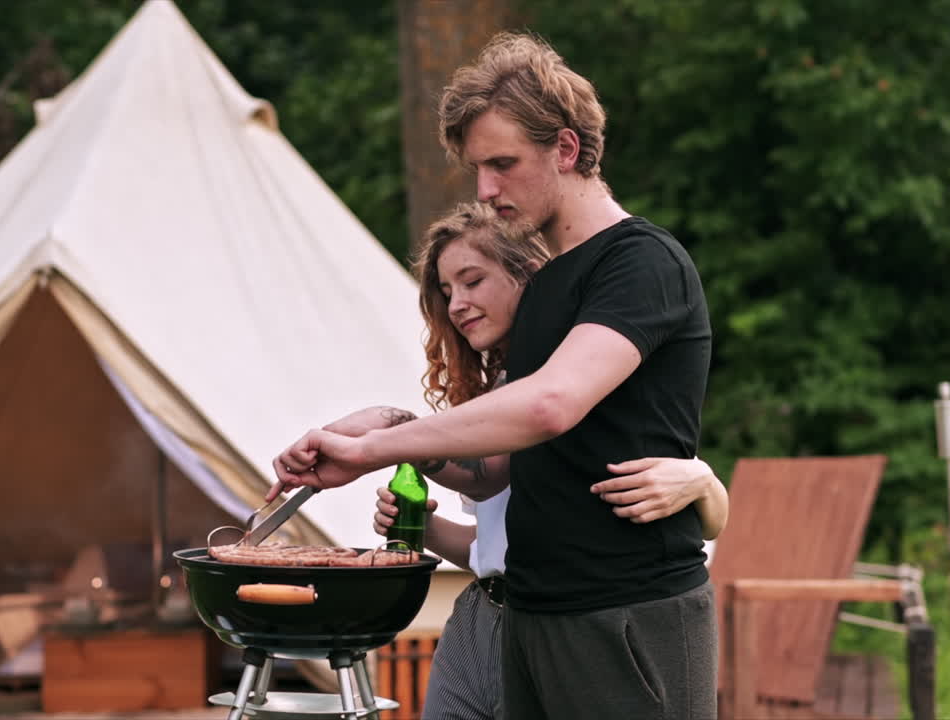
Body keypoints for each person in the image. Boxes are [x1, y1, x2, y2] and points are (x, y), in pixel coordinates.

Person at [270, 31, 718, 720]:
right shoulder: (544, 291)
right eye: (478, 168)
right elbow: (497, 471)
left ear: (566, 149)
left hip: (628, 614)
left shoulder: (641, 263)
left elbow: (550, 406)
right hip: (535, 617)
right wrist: (388, 429)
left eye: (503, 164)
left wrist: (371, 450)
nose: (485, 189)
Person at [366, 202, 727, 720]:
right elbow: (496, 546)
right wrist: (422, 528)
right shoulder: (493, 396)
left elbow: (690, 513)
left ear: (530, 277)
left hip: (574, 621)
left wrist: (704, 479)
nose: (457, 305)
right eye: (446, 293)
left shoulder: (582, 378)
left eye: (472, 281)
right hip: (482, 616)